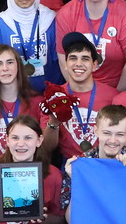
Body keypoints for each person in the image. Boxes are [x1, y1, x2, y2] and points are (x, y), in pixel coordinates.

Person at [44, 32, 117, 160]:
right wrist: (53, 121)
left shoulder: (113, 96)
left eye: (85, 58)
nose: (78, 63)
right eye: (73, 58)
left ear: (94, 65)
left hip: (104, 161)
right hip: (69, 163)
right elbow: (46, 148)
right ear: (65, 64)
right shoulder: (54, 97)